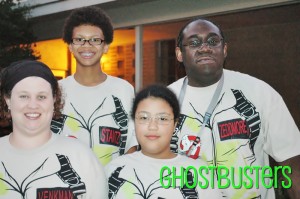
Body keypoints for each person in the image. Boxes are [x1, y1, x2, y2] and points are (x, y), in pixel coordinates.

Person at [168, 18, 300, 199]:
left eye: (213, 41)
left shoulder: (259, 93)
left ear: (224, 49)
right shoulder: (163, 102)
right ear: (179, 53)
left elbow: (291, 162)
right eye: (194, 42)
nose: (205, 48)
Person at [0, 60, 108, 199]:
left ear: (54, 100)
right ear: (8, 100)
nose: (33, 105)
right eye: (24, 96)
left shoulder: (81, 157)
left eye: (41, 97)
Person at [50, 6, 137, 166]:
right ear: (70, 46)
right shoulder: (55, 90)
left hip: (113, 185)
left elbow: (132, 142)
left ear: (105, 46)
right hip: (69, 186)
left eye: (95, 40)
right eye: (79, 39)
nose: (87, 45)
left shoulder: (124, 89)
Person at [105, 84, 222, 199]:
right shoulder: (114, 170)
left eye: (162, 118)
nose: (152, 126)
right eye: (144, 118)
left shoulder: (197, 172)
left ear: (175, 124)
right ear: (134, 122)